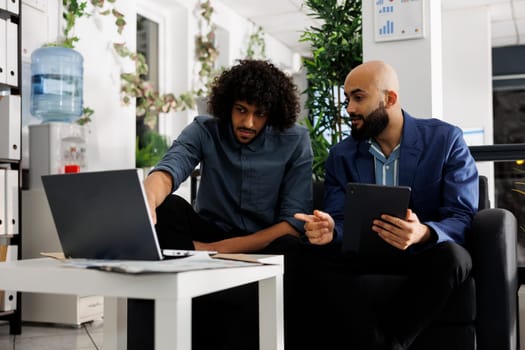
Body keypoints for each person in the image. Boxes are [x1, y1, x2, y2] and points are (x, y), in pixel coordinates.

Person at [128, 59, 313, 350]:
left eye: (259, 114)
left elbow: (292, 224)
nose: (248, 123)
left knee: (294, 247)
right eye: (241, 110)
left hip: (261, 243)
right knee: (169, 208)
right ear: (227, 106)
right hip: (208, 231)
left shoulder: (295, 140)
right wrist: (148, 197)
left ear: (272, 115)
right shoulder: (205, 129)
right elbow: (170, 168)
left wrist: (212, 251)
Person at [294, 60, 478, 350]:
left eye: (358, 97)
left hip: (424, 254)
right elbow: (339, 218)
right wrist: (331, 230)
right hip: (363, 255)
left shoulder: (445, 140)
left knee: (454, 257)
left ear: (389, 99)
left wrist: (423, 232)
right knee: (298, 251)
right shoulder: (342, 154)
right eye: (347, 99)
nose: (349, 109)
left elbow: (461, 215)